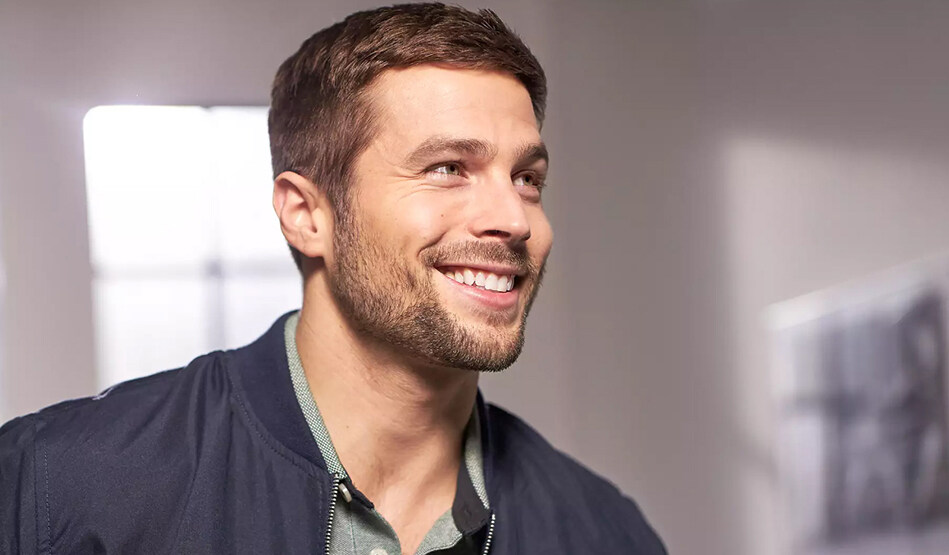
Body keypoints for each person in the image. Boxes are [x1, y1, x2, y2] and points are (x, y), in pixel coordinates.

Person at [0, 4, 666, 554]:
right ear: (306, 215)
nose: (515, 220)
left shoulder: (606, 533)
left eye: (526, 178)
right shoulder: (57, 487)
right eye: (446, 168)